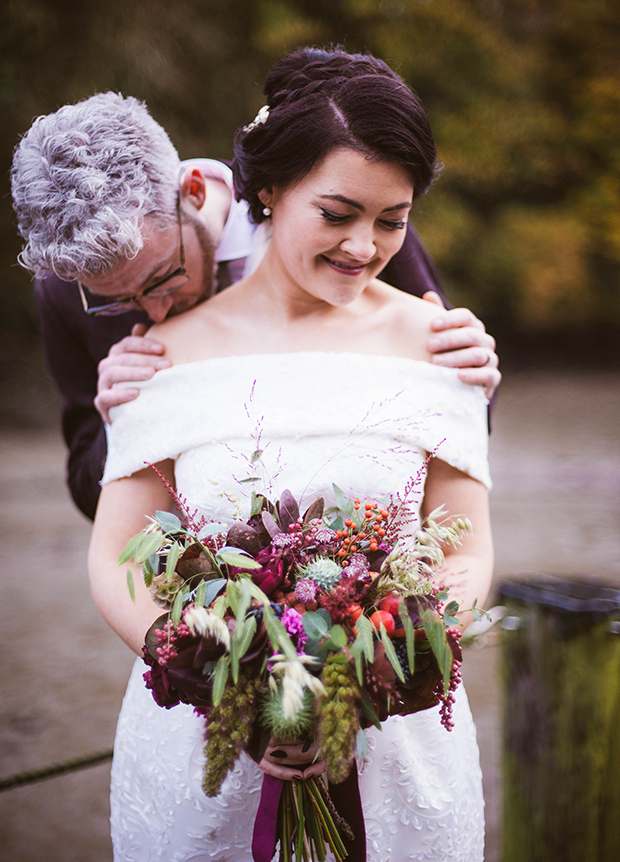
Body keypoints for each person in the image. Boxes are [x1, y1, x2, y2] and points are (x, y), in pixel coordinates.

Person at [88, 47, 493, 861]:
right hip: (203, 741)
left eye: (392, 219)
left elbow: (469, 539)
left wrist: (388, 668)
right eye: (338, 213)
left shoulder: (441, 346)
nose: (364, 245)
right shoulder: (159, 358)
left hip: (394, 746)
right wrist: (217, 677)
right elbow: (115, 556)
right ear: (268, 191)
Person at [10, 89, 500, 520]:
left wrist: (474, 363)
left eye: (164, 277)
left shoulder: (344, 221)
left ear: (194, 192)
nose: (154, 315)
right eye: (118, 303)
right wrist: (117, 423)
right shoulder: (62, 293)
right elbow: (86, 491)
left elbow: (449, 403)